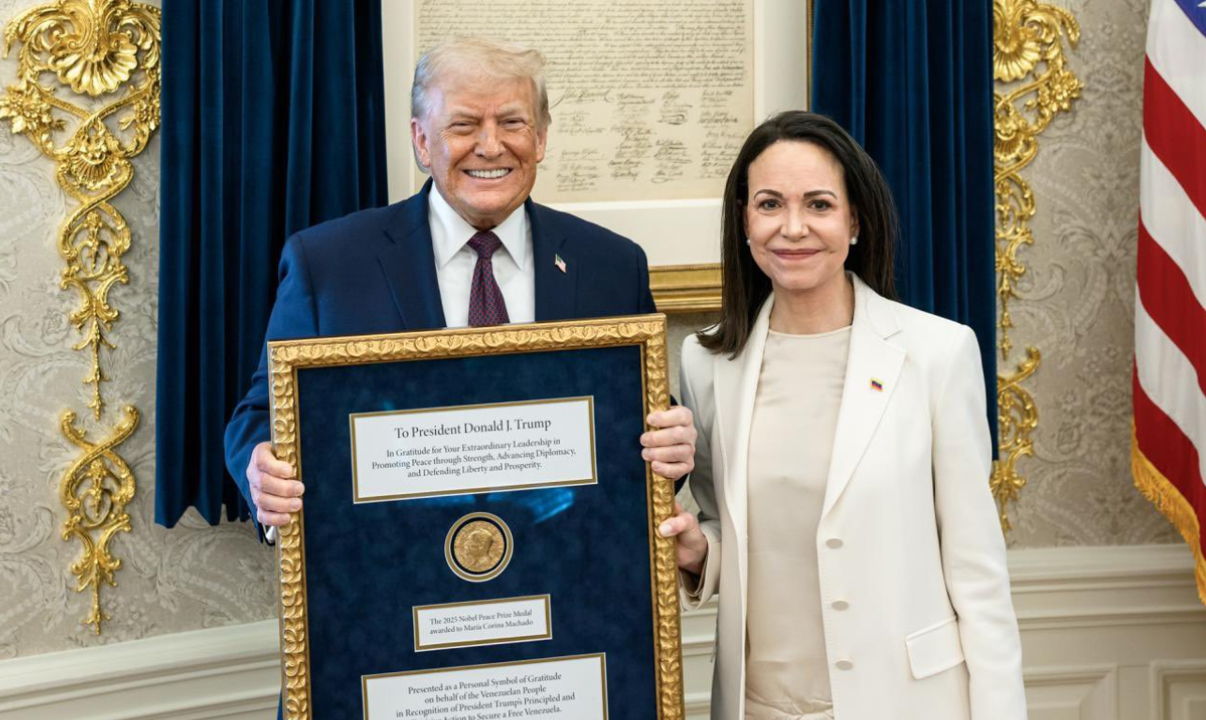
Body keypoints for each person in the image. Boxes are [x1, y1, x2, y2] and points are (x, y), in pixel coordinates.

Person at [223, 36, 695, 540]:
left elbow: (642, 422)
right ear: (422, 141)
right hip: (389, 563)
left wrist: (671, 446)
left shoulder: (611, 265)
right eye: (464, 125)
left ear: (540, 138)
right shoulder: (328, 265)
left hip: (566, 560)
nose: (490, 146)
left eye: (512, 123)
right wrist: (263, 472)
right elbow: (264, 414)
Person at [658, 111, 1026, 720]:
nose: (793, 227)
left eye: (819, 205)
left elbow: (977, 569)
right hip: (757, 704)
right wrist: (700, 551)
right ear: (744, 221)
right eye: (770, 204)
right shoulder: (707, 361)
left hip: (907, 703)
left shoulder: (938, 353)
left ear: (854, 221)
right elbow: (730, 523)